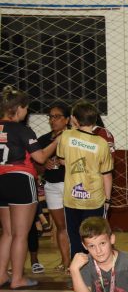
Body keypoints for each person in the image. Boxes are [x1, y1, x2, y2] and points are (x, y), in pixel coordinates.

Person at [0, 86, 58, 290]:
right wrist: (57, 141)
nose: (27, 113)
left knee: (7, 233)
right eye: (26, 108)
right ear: (18, 108)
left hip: (1, 180)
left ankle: (1, 275)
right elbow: (40, 158)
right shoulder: (22, 130)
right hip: (20, 180)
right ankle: (17, 278)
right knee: (20, 234)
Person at [57, 101, 114, 258]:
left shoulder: (66, 136)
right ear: (95, 120)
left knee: (75, 238)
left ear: (74, 119)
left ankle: (78, 269)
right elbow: (107, 174)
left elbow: (62, 160)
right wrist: (108, 200)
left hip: (72, 198)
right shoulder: (101, 143)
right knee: (96, 238)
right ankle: (97, 267)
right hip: (94, 198)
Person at [37, 102, 71, 273]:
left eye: (57, 116)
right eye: (50, 117)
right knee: (61, 226)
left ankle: (79, 260)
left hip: (70, 184)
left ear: (67, 119)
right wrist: (44, 165)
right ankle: (65, 262)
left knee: (75, 224)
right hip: (51, 186)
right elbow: (36, 165)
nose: (53, 120)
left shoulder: (73, 137)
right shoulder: (43, 139)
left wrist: (65, 161)